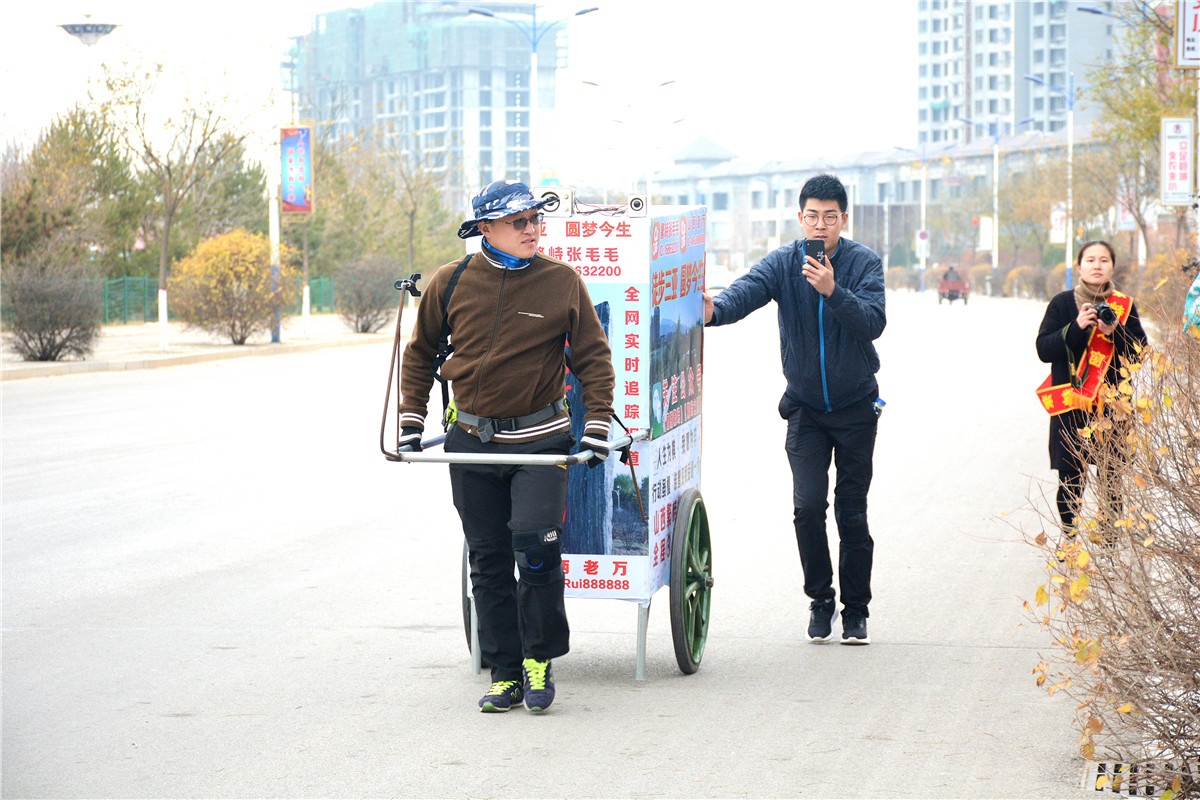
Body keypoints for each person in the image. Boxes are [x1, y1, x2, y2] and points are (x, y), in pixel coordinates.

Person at [397, 179, 616, 713]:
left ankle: (539, 661)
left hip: (540, 443)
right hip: (470, 441)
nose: (532, 230)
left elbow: (593, 357)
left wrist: (598, 424)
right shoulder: (451, 282)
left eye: (536, 220)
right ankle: (504, 671)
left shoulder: (562, 282)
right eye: (519, 222)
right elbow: (420, 353)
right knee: (488, 560)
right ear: (486, 229)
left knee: (534, 552)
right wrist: (410, 417)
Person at [702, 173, 886, 645]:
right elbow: (747, 290)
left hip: (856, 409)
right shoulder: (786, 261)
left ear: (844, 219)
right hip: (805, 409)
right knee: (807, 508)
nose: (820, 225)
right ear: (800, 217)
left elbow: (873, 322)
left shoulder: (864, 263)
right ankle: (820, 599)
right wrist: (715, 311)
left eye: (829, 217)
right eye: (811, 216)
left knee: (852, 511)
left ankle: (856, 611)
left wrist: (832, 289)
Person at [1035, 240, 1148, 537]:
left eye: (1103, 260)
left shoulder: (1124, 305)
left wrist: (1115, 332)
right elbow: (1043, 349)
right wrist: (1075, 327)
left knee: (1111, 477)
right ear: (1079, 266)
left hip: (1113, 406)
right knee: (1070, 477)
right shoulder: (1061, 303)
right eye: (1090, 260)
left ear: (1112, 266)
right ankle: (1069, 536)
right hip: (1072, 405)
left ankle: (1108, 541)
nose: (1097, 266)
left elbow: (1139, 353)